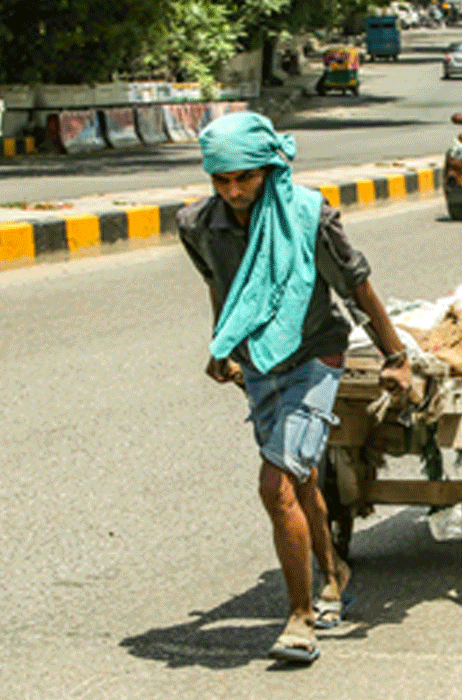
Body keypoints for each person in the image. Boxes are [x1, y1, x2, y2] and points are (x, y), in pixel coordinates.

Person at [177, 111, 412, 665]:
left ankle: (300, 618)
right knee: (301, 474)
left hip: (314, 354)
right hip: (258, 359)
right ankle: (334, 573)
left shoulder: (309, 216)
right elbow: (221, 285)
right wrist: (221, 345)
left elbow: (357, 288)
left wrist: (395, 356)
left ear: (268, 169)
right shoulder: (196, 225)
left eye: (245, 178)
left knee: (275, 481)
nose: (234, 191)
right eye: (222, 180)